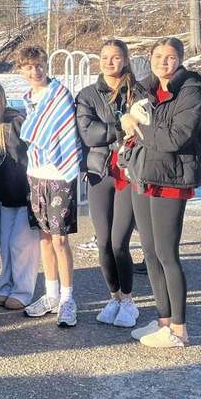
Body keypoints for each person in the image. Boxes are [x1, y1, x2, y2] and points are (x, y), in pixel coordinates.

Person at [121, 37, 201, 348]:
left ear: (180, 60)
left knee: (167, 255)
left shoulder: (192, 90)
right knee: (149, 253)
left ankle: (179, 329)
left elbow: (176, 137)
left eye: (170, 57)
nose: (163, 62)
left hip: (171, 178)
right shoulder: (148, 88)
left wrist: (140, 125)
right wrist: (130, 121)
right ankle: (162, 321)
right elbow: (135, 125)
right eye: (158, 56)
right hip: (145, 175)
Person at [76, 40, 141, 328]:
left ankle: (128, 300)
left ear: (125, 60)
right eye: (104, 57)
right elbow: (89, 135)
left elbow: (147, 128)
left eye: (116, 57)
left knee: (119, 243)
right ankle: (113, 297)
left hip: (129, 176)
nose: (109, 62)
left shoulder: (138, 93)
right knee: (103, 243)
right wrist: (121, 126)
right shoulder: (88, 95)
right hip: (100, 173)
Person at [17, 45, 82, 328]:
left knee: (60, 238)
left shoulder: (60, 94)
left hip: (59, 174)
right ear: (21, 70)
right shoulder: (28, 98)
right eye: (29, 66)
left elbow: (64, 131)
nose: (36, 70)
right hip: (36, 173)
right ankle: (51, 294)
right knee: (43, 238)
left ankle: (68, 299)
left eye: (39, 64)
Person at [0, 84, 40, 310]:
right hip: (4, 197)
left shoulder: (15, 121)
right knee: (6, 245)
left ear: (2, 100)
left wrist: (34, 187)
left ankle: (23, 291)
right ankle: (5, 286)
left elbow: (34, 149)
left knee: (21, 244)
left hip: (25, 194)